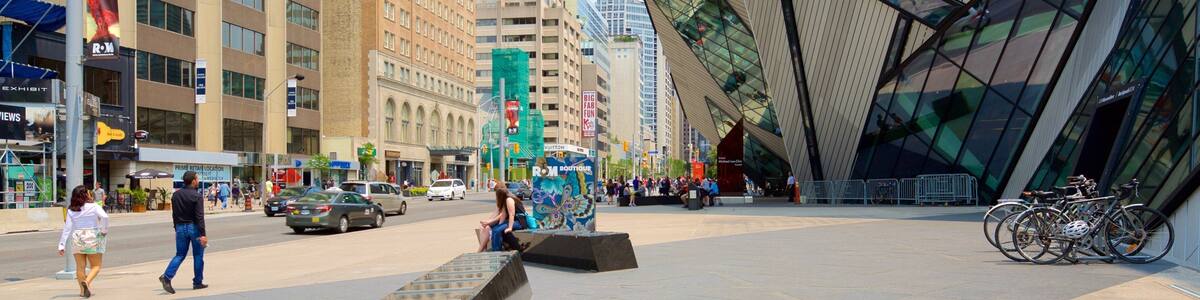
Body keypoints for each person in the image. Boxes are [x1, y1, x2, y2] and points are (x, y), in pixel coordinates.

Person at [159, 171, 208, 294]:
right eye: (197, 179)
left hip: (180, 227)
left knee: (180, 254)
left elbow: (174, 214)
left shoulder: (176, 195)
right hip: (194, 228)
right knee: (198, 255)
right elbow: (199, 216)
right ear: (193, 181)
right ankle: (197, 282)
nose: (198, 181)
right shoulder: (197, 196)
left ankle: (167, 276)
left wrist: (176, 227)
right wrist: (203, 234)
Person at [58, 185, 109, 298]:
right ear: (85, 194)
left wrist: (61, 245)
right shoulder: (94, 206)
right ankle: (87, 282)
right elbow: (105, 217)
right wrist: (104, 230)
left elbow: (67, 228)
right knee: (96, 266)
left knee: (80, 267)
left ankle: (82, 291)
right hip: (92, 236)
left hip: (77, 237)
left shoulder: (71, 210)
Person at [476, 185, 528, 252]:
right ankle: (496, 250)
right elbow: (503, 215)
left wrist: (510, 227)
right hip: (513, 221)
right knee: (496, 229)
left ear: (500, 195)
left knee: (497, 230)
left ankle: (496, 251)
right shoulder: (505, 201)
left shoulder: (509, 199)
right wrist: (499, 225)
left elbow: (511, 214)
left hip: (519, 222)